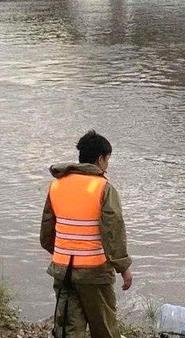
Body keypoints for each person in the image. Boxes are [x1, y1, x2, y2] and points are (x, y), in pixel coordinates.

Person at [40, 131, 132, 338]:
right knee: (103, 328)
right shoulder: (103, 187)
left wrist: (61, 254)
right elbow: (113, 231)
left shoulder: (57, 185)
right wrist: (123, 267)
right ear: (100, 159)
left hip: (63, 271)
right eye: (107, 159)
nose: (107, 165)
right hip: (94, 272)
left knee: (69, 330)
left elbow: (46, 232)